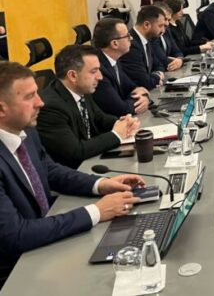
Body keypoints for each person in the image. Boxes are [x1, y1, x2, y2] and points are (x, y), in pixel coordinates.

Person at [0, 61, 143, 285]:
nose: (40, 102)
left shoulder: (25, 132)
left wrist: (101, 184)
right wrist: (96, 211)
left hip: (45, 241)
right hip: (16, 273)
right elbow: (16, 235)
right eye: (29, 97)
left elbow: (50, 170)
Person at [36, 45, 140, 169]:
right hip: (73, 172)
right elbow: (75, 152)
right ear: (72, 76)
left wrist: (124, 123)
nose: (100, 77)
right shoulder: (50, 108)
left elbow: (99, 118)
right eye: (93, 71)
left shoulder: (81, 89)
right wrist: (116, 134)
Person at [91, 18, 150, 118]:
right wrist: (141, 100)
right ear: (115, 43)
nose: (131, 38)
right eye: (127, 36)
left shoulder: (114, 60)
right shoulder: (99, 70)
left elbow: (133, 87)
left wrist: (144, 97)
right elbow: (121, 109)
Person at [119, 6, 167, 90]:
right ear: (146, 25)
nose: (163, 30)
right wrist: (158, 77)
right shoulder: (131, 45)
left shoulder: (147, 39)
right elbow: (144, 82)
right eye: (160, 26)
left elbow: (159, 65)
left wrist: (156, 75)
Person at [151, 2, 184, 72]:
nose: (167, 23)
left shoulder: (167, 30)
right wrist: (178, 62)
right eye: (165, 19)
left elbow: (177, 51)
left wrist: (180, 60)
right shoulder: (152, 35)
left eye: (168, 20)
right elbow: (162, 60)